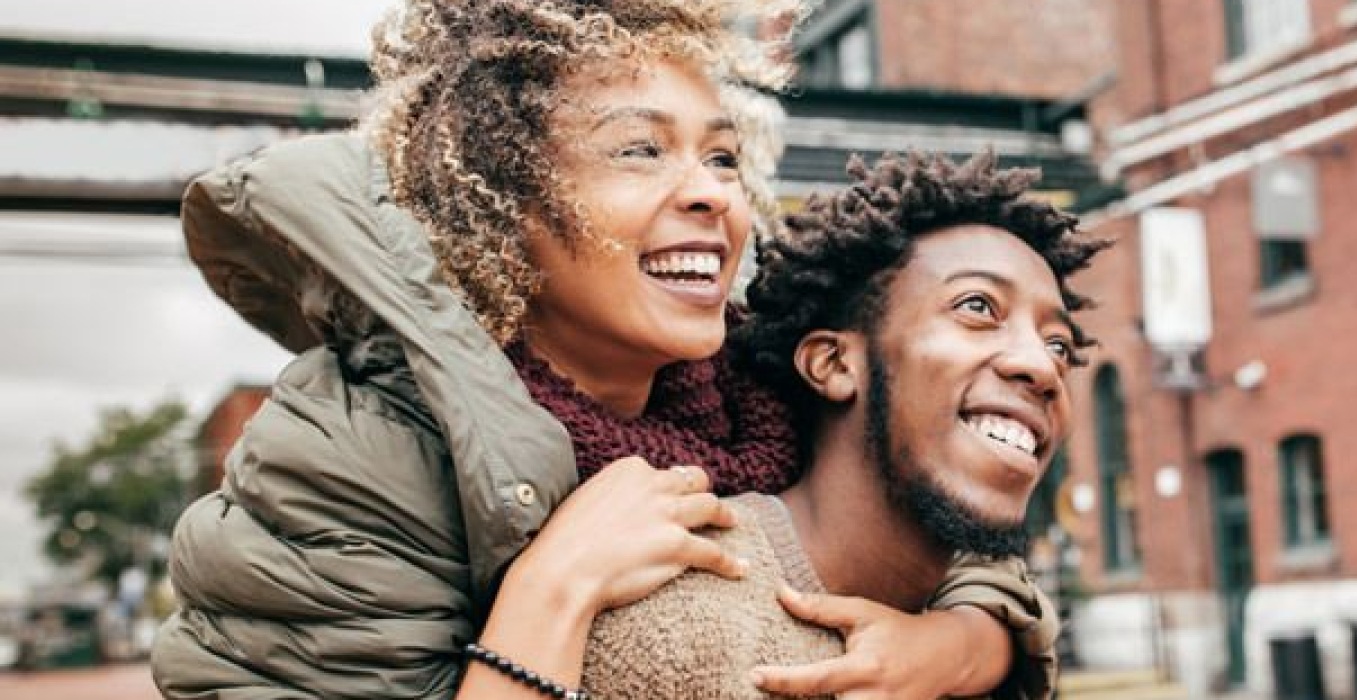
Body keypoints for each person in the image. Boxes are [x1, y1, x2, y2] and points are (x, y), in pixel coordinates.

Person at [149, 1, 1058, 698]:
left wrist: (961, 644)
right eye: (640, 151)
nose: (709, 195)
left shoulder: (758, 386)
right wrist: (554, 587)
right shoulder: (356, 448)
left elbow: (939, 501)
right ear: (503, 208)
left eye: (722, 159)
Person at [578, 151, 1106, 699]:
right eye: (977, 306)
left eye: (1059, 345)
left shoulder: (977, 635)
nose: (1044, 368)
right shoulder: (680, 627)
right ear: (832, 364)